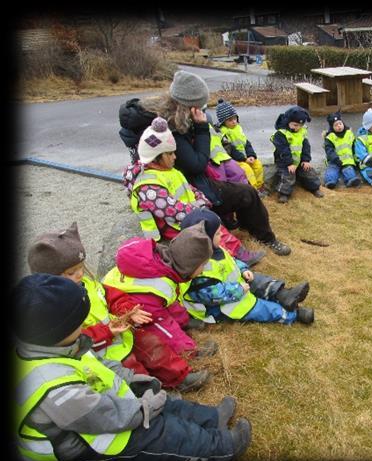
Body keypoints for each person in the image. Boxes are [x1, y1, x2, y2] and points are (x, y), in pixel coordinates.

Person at [12, 273, 251, 461]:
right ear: (60, 328)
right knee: (162, 433)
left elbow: (98, 365)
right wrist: (144, 408)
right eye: (79, 318)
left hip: (104, 410)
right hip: (90, 447)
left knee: (164, 403)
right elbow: (104, 416)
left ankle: (212, 418)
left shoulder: (60, 346)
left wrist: (133, 381)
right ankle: (222, 448)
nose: (85, 322)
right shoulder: (51, 385)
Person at [118, 70, 291, 256]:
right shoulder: (172, 128)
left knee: (238, 190)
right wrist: (201, 127)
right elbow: (196, 164)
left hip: (182, 184)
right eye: (201, 106)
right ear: (190, 106)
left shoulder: (158, 119)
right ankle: (267, 239)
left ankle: (242, 226)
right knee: (246, 193)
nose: (203, 111)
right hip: (188, 191)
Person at [26, 221, 200, 391]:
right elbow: (73, 340)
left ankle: (180, 378)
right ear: (49, 277)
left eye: (81, 267)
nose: (80, 274)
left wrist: (127, 311)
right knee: (134, 373)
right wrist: (107, 331)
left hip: (121, 334)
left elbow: (111, 295)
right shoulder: (51, 309)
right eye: (71, 273)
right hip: (102, 353)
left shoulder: (87, 283)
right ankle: (156, 397)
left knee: (153, 345)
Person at [124, 116, 264, 267]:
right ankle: (235, 257)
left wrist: (201, 200)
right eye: (170, 153)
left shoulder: (166, 170)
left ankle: (235, 254)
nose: (175, 157)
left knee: (213, 225)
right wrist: (199, 210)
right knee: (210, 229)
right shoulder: (148, 186)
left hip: (187, 215)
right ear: (156, 157)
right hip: (173, 226)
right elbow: (170, 210)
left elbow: (188, 188)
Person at [102, 222, 219, 392]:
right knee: (153, 339)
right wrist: (189, 348)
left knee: (166, 308)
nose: (202, 271)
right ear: (188, 265)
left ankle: (183, 322)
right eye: (202, 266)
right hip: (127, 310)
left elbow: (169, 302)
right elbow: (162, 326)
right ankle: (181, 369)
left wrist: (184, 320)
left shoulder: (164, 266)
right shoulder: (156, 288)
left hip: (144, 302)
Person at [179, 208, 315, 325]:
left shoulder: (215, 249)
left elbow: (231, 261)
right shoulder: (197, 266)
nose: (221, 234)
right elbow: (213, 296)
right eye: (217, 233)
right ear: (204, 239)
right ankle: (295, 314)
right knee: (259, 308)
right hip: (219, 307)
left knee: (257, 280)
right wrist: (239, 289)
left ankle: (284, 294)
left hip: (234, 286)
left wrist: (243, 269)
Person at [216, 98, 269, 198]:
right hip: (235, 159)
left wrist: (251, 155)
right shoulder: (222, 133)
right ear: (223, 122)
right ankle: (253, 191)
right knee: (247, 169)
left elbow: (246, 143)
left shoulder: (238, 129)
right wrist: (244, 159)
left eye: (235, 118)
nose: (234, 122)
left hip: (245, 157)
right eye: (230, 120)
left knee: (257, 164)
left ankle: (259, 187)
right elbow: (230, 149)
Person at [271, 106, 324, 203]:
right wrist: (289, 163)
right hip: (285, 162)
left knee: (309, 173)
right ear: (288, 121)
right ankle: (284, 193)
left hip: (299, 161)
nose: (298, 128)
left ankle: (314, 188)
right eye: (295, 125)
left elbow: (305, 146)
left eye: (300, 125)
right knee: (287, 177)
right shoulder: (281, 134)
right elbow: (283, 150)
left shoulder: (302, 131)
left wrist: (305, 160)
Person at [322, 112, 361, 189]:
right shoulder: (330, 137)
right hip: (334, 160)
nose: (339, 126)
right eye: (336, 125)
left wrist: (356, 160)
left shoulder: (349, 134)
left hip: (347, 160)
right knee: (332, 171)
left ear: (343, 123)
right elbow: (329, 151)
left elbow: (354, 147)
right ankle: (330, 182)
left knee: (349, 170)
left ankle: (351, 180)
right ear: (332, 127)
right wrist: (336, 159)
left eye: (340, 123)